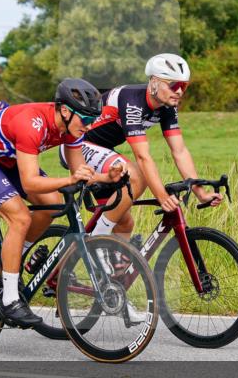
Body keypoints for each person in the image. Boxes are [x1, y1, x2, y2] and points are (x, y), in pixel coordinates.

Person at [0, 78, 122, 328]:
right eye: (86, 119)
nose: (89, 126)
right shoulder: (31, 124)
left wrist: (106, 177)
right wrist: (69, 180)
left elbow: (80, 172)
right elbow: (30, 183)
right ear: (65, 111)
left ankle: (13, 258)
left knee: (53, 204)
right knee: (20, 218)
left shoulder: (71, 128)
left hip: (9, 159)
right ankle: (9, 301)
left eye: (93, 119)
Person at [60, 52, 222, 241]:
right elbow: (142, 157)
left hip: (103, 151)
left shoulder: (168, 107)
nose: (179, 91)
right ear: (154, 82)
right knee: (137, 175)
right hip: (76, 145)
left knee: (124, 223)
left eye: (183, 86)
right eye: (173, 85)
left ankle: (108, 258)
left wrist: (200, 193)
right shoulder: (132, 101)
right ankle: (97, 238)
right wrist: (162, 197)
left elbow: (179, 151)